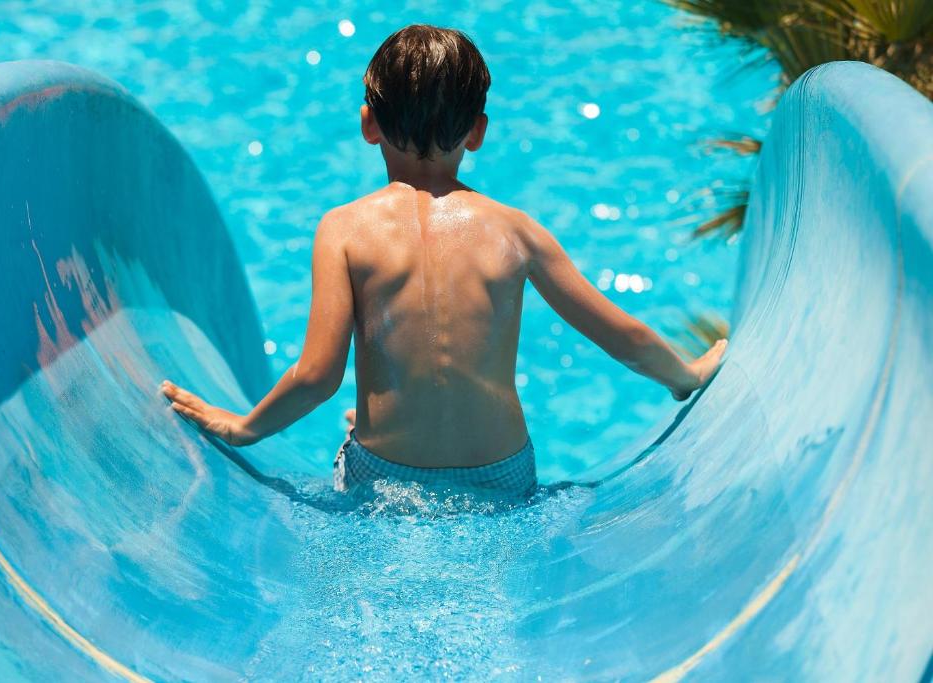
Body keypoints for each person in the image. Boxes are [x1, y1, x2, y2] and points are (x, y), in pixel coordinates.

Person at [161, 24, 726, 499]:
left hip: (387, 475)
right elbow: (619, 333)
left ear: (368, 123)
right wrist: (687, 375)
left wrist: (242, 428)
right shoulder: (516, 231)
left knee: (362, 439)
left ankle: (389, 424)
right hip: (502, 473)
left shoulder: (344, 229)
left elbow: (317, 377)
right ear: (476, 132)